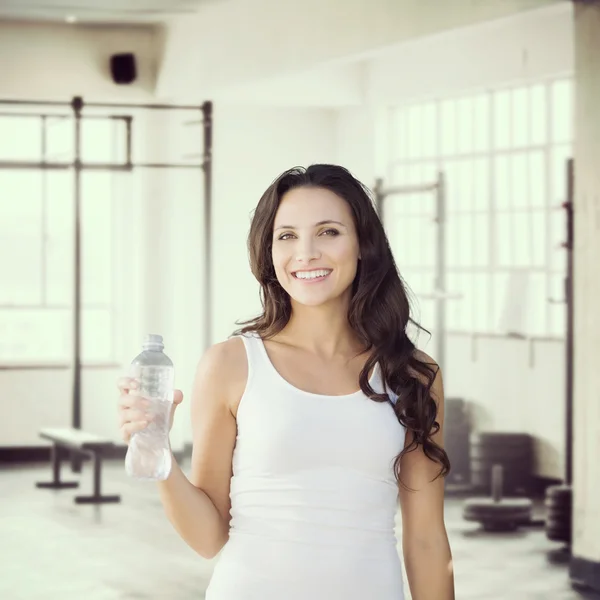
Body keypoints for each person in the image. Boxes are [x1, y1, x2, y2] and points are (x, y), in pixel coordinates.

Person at [117, 164, 455, 600]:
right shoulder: (231, 364)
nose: (307, 252)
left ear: (363, 245)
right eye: (287, 235)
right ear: (269, 252)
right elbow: (208, 538)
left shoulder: (412, 374)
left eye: (329, 232)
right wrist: (157, 451)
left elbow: (427, 540)